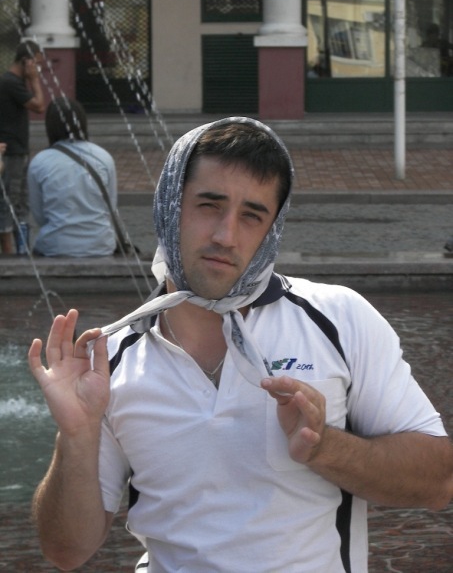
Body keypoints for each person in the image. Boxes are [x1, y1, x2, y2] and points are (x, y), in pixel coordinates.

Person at [28, 117, 453, 572]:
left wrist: (324, 447)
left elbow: (438, 483)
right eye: (209, 205)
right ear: (169, 206)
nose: (226, 236)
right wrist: (76, 436)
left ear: (272, 227)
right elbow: (67, 551)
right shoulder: (110, 361)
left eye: (252, 215)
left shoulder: (338, 319)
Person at [27, 97, 117, 257]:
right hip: (100, 244)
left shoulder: (39, 162)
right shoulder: (103, 157)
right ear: (82, 122)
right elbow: (110, 207)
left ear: (49, 126)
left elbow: (39, 216)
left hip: (56, 245)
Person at [0, 40, 45, 254]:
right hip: (11, 153)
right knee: (9, 201)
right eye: (36, 64)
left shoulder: (14, 82)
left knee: (20, 202)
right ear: (26, 61)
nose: (37, 70)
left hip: (18, 150)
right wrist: (35, 80)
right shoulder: (11, 82)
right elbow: (39, 106)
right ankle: (9, 254)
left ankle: (22, 250)